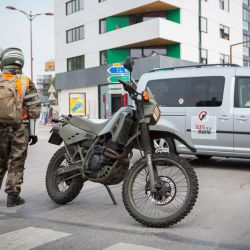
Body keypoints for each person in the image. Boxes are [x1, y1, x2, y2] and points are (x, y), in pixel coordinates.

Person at [0, 47, 41, 207]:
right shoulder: (25, 81)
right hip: (20, 128)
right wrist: (34, 133)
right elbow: (35, 112)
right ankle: (12, 197)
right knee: (16, 162)